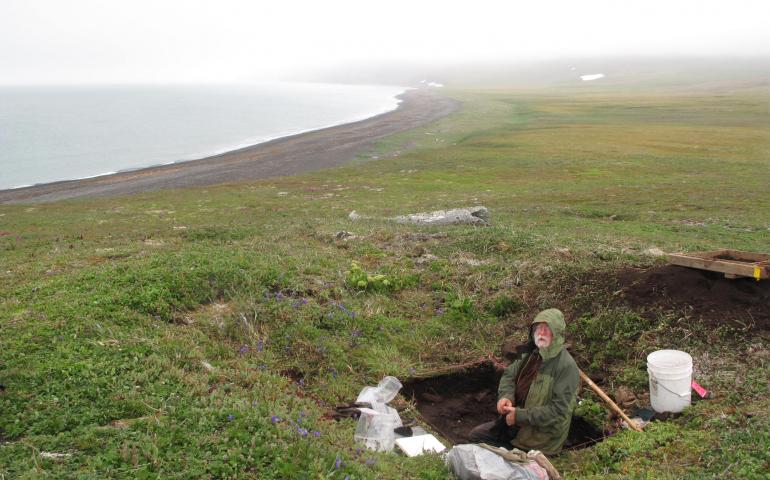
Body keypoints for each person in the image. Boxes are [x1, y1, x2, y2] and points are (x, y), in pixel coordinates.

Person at [469, 308, 579, 455]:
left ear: (557, 333)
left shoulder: (566, 367)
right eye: (538, 328)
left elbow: (558, 411)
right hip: (513, 424)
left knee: (505, 462)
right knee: (476, 436)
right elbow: (509, 375)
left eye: (547, 329)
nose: (541, 333)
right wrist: (506, 396)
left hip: (539, 440)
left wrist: (519, 416)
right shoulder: (530, 353)